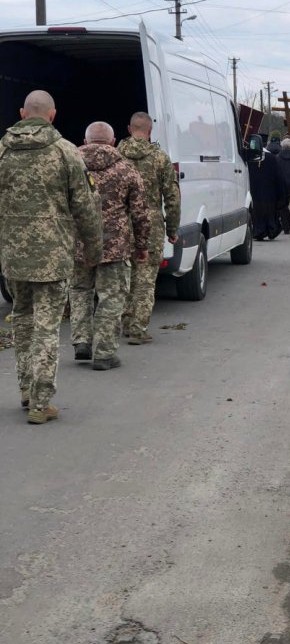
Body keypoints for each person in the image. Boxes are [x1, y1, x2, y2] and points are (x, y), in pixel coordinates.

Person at [0, 91, 103, 424]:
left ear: (21, 113)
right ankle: (41, 403)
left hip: (14, 256)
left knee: (24, 321)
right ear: (53, 115)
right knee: (46, 327)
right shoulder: (65, 152)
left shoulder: (2, 150)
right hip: (53, 255)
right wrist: (93, 248)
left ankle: (26, 391)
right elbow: (85, 208)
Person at [69, 122, 150, 371]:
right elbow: (140, 212)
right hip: (113, 246)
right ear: (113, 142)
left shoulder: (70, 165)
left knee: (80, 291)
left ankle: (82, 340)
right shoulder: (126, 169)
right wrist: (142, 245)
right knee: (111, 298)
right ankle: (104, 354)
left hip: (77, 244)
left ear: (85, 141)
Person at [118, 112, 181, 344]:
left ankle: (124, 322)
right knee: (145, 279)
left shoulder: (116, 156)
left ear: (128, 128)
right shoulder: (160, 158)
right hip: (151, 224)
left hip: (121, 225)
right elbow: (172, 197)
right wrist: (172, 229)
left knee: (124, 276)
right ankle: (138, 329)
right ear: (150, 131)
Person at [247, 138, 286, 240]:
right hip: (270, 193)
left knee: (257, 211)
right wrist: (281, 194)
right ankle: (271, 229)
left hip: (254, 191)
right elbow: (279, 177)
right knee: (269, 211)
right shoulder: (272, 158)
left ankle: (258, 231)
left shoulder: (249, 159)